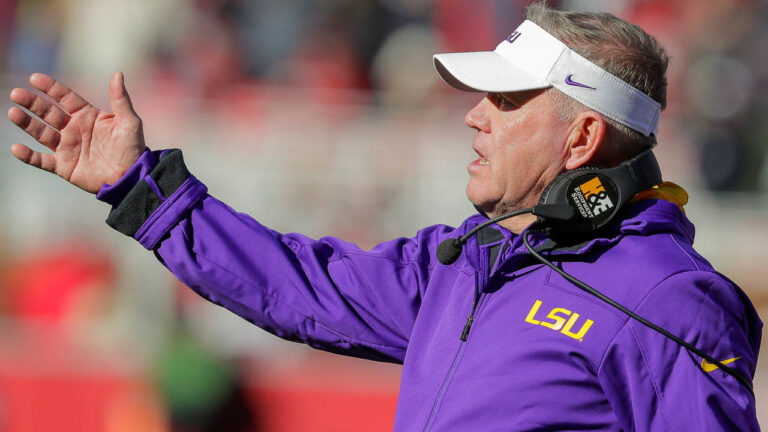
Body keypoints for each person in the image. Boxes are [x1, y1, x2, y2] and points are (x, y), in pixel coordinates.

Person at [7, 3, 761, 431]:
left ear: (583, 138)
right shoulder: (471, 262)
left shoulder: (666, 299)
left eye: (504, 101)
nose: (474, 117)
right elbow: (298, 286)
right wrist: (140, 189)